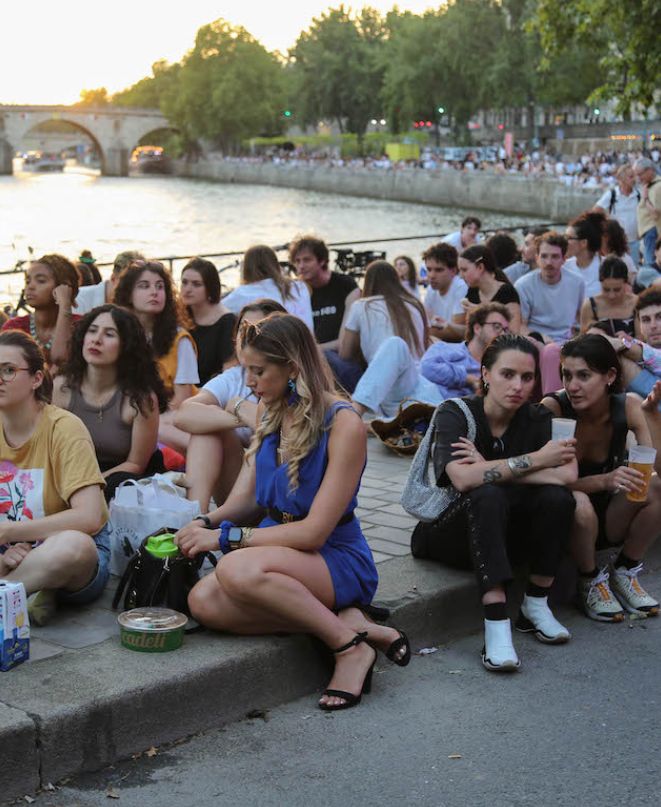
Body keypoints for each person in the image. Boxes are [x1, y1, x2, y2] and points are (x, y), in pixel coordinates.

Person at [175, 314, 409, 711]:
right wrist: (205, 521)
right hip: (279, 549)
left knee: (235, 569)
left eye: (258, 371)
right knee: (203, 602)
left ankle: (348, 649)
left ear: (293, 368)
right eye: (245, 369)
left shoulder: (343, 423)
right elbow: (246, 500)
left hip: (334, 556)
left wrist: (227, 537)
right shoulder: (270, 411)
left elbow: (314, 533)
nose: (248, 382)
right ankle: (348, 623)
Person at [410, 334, 577, 671]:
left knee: (558, 498)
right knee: (486, 494)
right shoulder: (455, 413)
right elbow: (462, 479)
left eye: (527, 377)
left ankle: (536, 604)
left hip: (504, 535)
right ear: (485, 373)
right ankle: (496, 621)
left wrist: (487, 466)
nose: (518, 385)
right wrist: (537, 460)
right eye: (507, 374)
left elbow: (567, 476)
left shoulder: (539, 419)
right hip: (449, 534)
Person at [541, 335, 661, 621]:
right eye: (566, 375)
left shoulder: (627, 406)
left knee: (656, 486)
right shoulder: (553, 409)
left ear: (609, 376)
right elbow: (543, 481)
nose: (572, 386)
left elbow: (654, 467)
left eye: (584, 375)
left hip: (608, 519)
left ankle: (625, 569)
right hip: (563, 521)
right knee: (579, 500)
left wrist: (651, 415)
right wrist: (604, 481)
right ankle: (589, 579)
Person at [0, 330, 110, 626]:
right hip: (7, 552)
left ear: (36, 379)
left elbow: (89, 517)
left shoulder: (64, 429)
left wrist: (11, 532)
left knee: (73, 547)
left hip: (67, 556)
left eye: (8, 370)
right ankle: (27, 589)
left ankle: (12, 593)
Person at [174, 300, 286, 512]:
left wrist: (240, 408)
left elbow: (286, 428)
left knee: (260, 441)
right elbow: (184, 414)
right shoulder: (236, 377)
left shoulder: (292, 378)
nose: (248, 339)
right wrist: (238, 415)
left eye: (257, 330)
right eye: (243, 330)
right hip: (241, 498)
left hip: (285, 496)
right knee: (207, 429)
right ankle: (195, 515)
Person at [52, 305, 169, 503]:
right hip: (72, 475)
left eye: (109, 334)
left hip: (119, 482)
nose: (96, 339)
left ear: (126, 346)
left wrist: (89, 486)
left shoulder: (141, 399)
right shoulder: (60, 387)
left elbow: (135, 465)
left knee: (120, 482)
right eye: (92, 330)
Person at [113, 260, 199, 454]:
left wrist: (148, 418)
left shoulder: (180, 339)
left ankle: (204, 454)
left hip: (173, 415)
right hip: (129, 413)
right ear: (128, 294)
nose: (154, 292)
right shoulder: (116, 336)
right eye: (144, 286)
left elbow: (182, 399)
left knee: (155, 426)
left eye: (160, 287)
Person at [339, 260, 440, 416]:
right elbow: (425, 348)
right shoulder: (415, 304)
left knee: (395, 345)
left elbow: (344, 353)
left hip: (395, 390)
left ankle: (354, 412)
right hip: (415, 384)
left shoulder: (362, 306)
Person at [515, 231, 585, 395]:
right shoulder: (524, 285)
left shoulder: (577, 282)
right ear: (537, 257)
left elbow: (582, 318)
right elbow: (520, 326)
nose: (549, 262)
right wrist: (541, 338)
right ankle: (552, 404)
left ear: (564, 259)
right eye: (544, 256)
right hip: (535, 340)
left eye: (554, 257)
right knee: (550, 352)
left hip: (567, 340)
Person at [290, 235, 362, 392]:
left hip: (339, 357)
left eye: (307, 260)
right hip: (308, 358)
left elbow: (343, 344)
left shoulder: (345, 286)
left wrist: (312, 349)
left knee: (335, 362)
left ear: (322, 261)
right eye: (297, 261)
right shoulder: (296, 291)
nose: (301, 266)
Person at [2, 254, 80, 368]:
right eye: (27, 281)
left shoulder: (81, 325)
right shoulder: (14, 327)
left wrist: (65, 305)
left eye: (41, 281)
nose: (30, 287)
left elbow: (60, 358)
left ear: (62, 287)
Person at [420, 303, 511, 399]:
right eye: (497, 326)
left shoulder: (497, 370)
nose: (502, 333)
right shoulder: (443, 348)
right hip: (423, 406)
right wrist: (468, 379)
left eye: (506, 330)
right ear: (477, 328)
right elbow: (426, 368)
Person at [223, 245, 313, 331]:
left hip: (280, 345)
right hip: (308, 344)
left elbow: (218, 311)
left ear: (247, 268)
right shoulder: (300, 286)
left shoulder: (244, 293)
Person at [597, 287, 661, 408]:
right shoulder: (633, 345)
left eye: (659, 317)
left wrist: (623, 345)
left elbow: (655, 357)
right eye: (646, 320)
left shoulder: (633, 348)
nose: (653, 325)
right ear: (639, 325)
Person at [180, 257, 236, 385]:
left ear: (210, 288)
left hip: (210, 392)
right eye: (184, 282)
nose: (187, 289)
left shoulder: (227, 322)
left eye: (196, 284)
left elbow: (229, 373)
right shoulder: (178, 315)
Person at [458, 245, 522, 333]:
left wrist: (481, 312)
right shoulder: (473, 292)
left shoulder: (506, 292)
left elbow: (513, 332)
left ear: (480, 267)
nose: (461, 276)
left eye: (464, 270)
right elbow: (470, 333)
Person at [594, 164, 641, 267]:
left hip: (634, 242)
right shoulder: (612, 194)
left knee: (633, 270)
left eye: (634, 176)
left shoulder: (638, 194)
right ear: (622, 179)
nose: (634, 179)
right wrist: (608, 224)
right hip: (615, 242)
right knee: (614, 269)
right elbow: (596, 210)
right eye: (631, 176)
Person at [579, 256, 637, 336]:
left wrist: (629, 342)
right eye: (606, 289)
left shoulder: (636, 303)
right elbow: (582, 340)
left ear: (626, 283)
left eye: (617, 290)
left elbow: (642, 340)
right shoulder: (590, 306)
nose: (611, 295)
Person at [421, 242, 467, 342]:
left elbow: (456, 335)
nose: (432, 275)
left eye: (438, 270)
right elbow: (425, 319)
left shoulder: (461, 287)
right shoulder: (431, 290)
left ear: (453, 271)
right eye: (429, 269)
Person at [75, 250, 145, 315]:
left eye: (143, 286)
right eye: (128, 285)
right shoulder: (79, 300)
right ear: (113, 278)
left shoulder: (141, 307)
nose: (134, 292)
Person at [564, 210, 606, 296]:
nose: (564, 242)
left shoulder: (606, 266)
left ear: (583, 243)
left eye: (569, 238)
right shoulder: (564, 267)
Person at [634, 158, 661, 267]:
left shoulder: (658, 186)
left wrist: (645, 199)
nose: (639, 178)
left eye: (640, 174)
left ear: (650, 170)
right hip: (650, 230)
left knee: (649, 264)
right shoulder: (650, 185)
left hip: (652, 230)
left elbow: (655, 213)